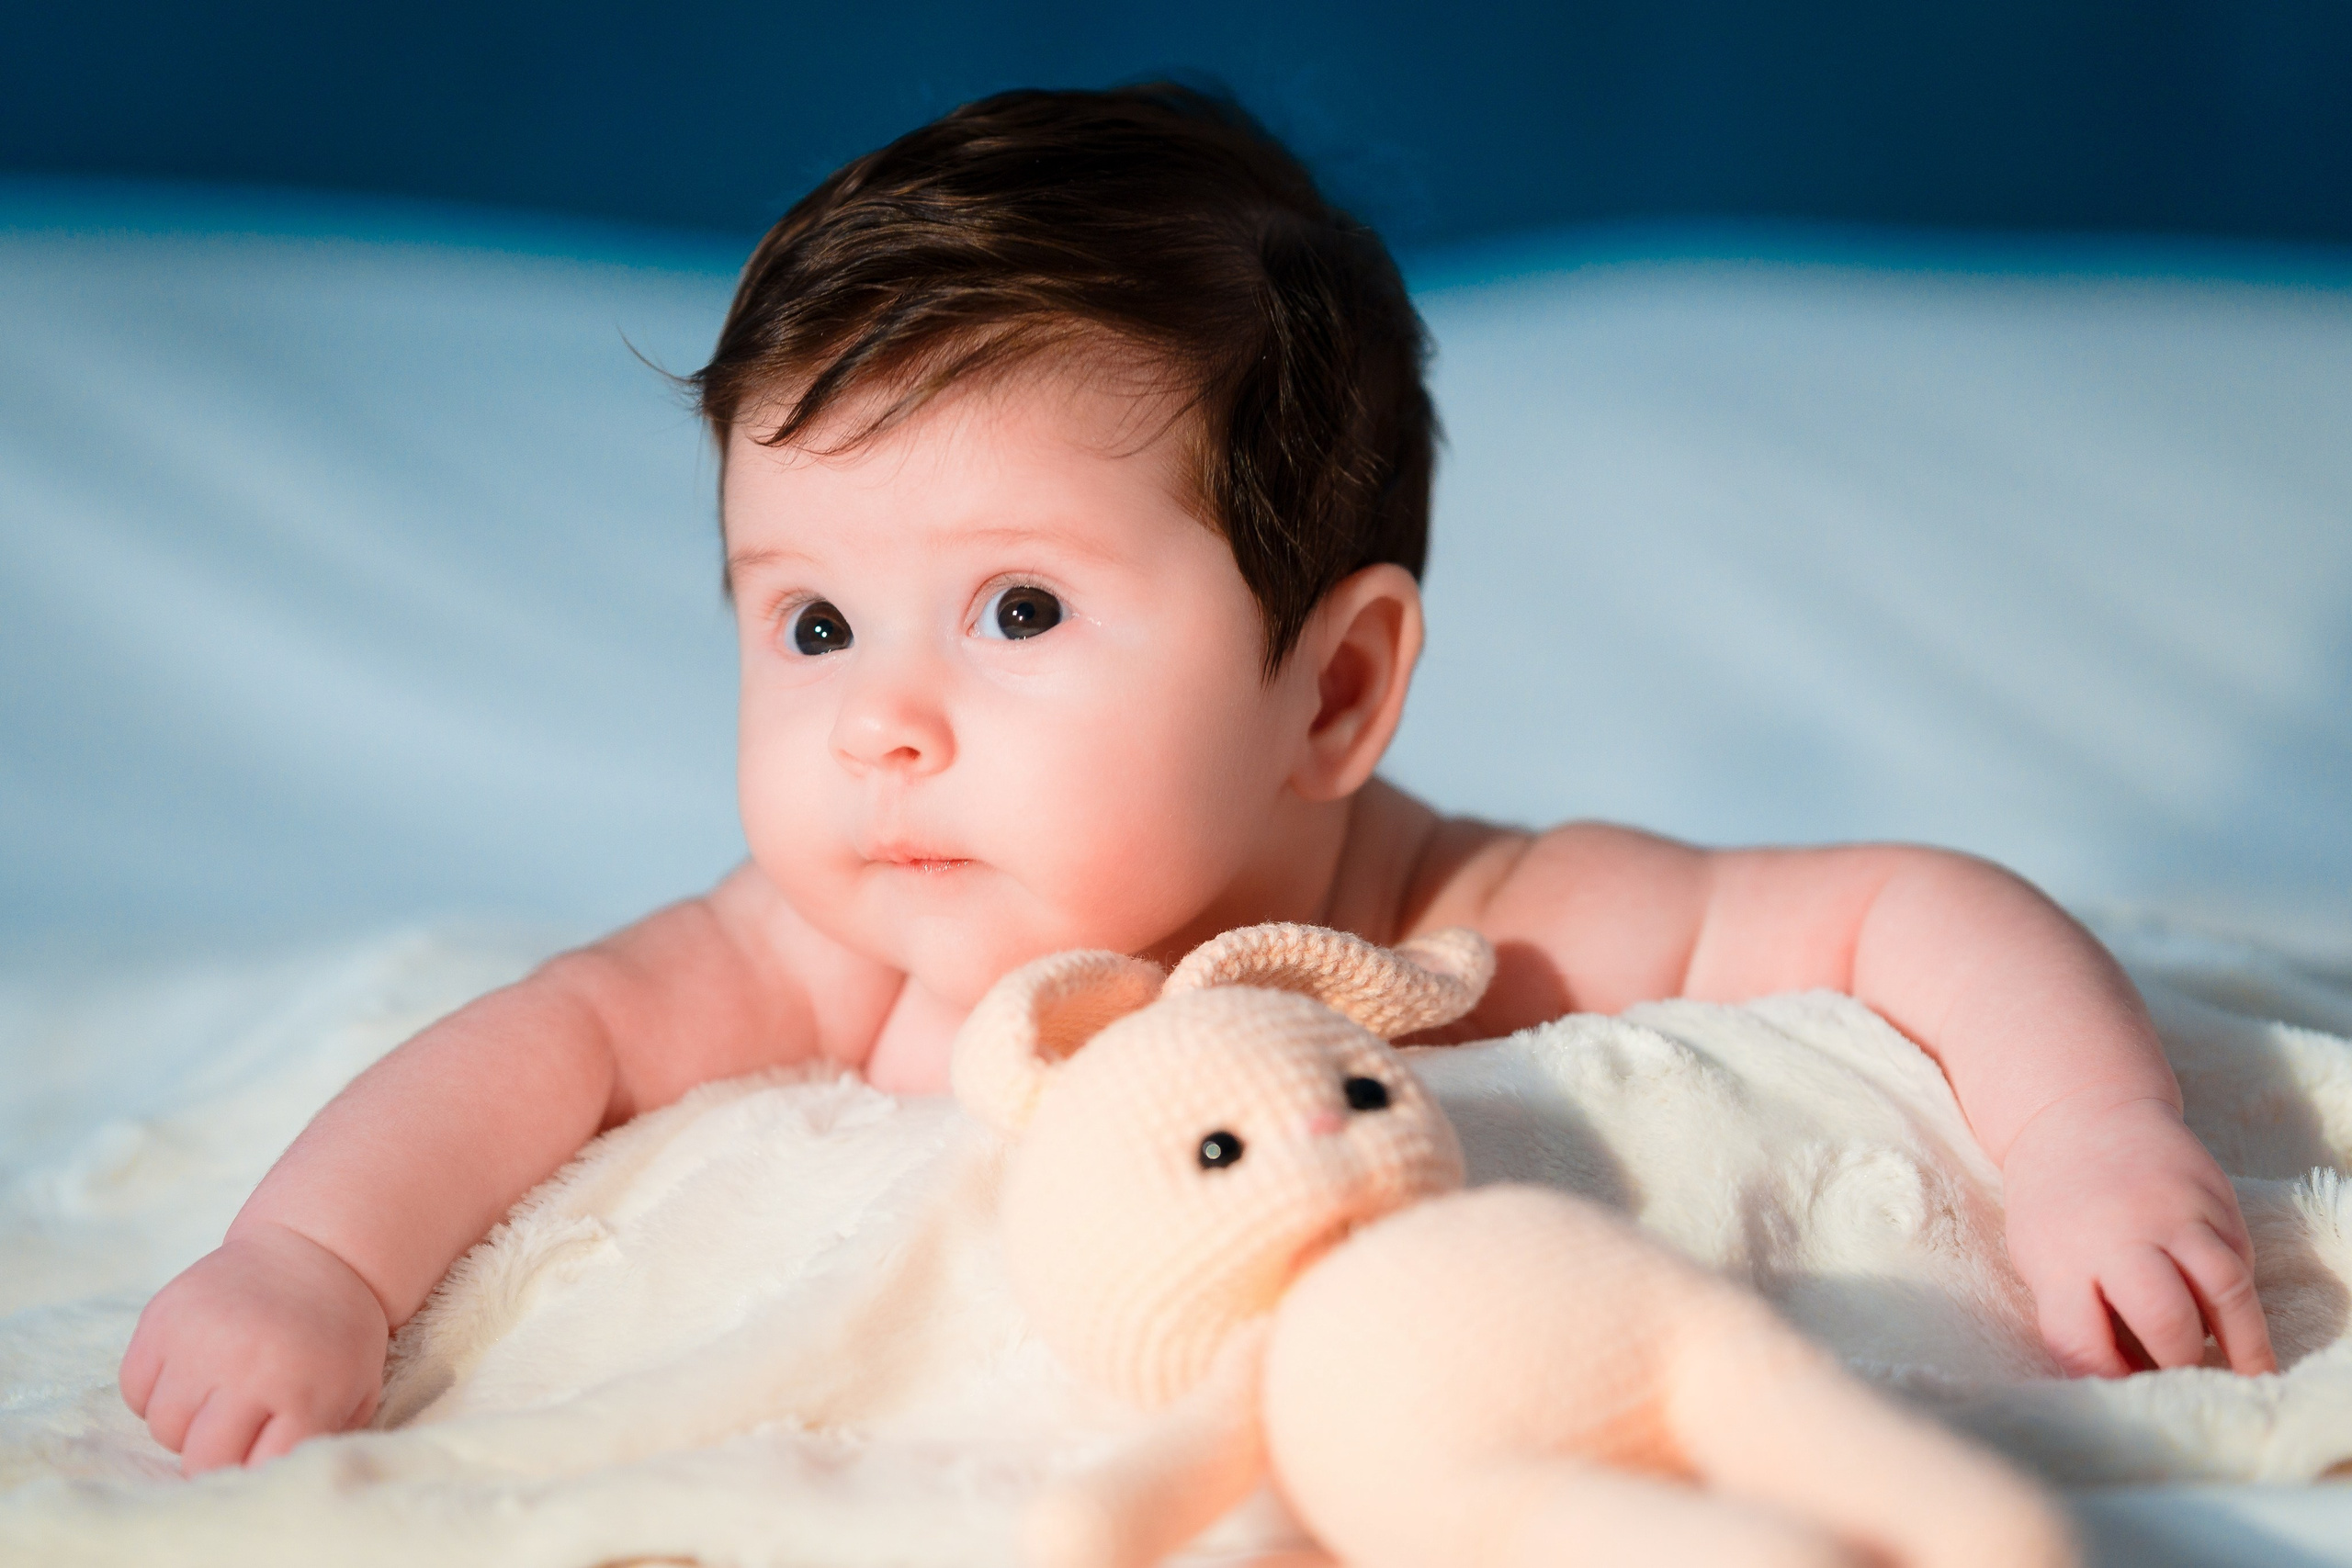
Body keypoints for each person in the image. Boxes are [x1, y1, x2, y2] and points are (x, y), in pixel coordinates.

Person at [119, 83, 2274, 1477]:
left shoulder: (1464, 921)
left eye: (1019, 610)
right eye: (806, 619)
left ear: (1332, 692)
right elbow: (537, 1045)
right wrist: (311, 1260)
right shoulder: (816, 946)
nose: (881, 717)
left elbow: (1914, 906)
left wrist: (2092, 1139)